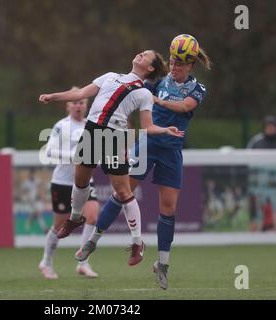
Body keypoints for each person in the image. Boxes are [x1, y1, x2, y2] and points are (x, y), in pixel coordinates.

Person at [77, 35, 212, 290]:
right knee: (122, 192)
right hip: (147, 146)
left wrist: (160, 101)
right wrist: (126, 140)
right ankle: (92, 242)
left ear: (190, 66)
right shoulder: (156, 83)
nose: (175, 67)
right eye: (173, 62)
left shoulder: (197, 89)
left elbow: (184, 107)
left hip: (171, 152)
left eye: (180, 64)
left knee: (169, 208)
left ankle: (162, 264)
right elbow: (127, 107)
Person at [39, 50, 184, 266]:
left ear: (150, 68)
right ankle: (76, 217)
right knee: (79, 181)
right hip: (92, 130)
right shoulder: (109, 76)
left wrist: (164, 130)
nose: (140, 54)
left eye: (145, 55)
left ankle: (137, 243)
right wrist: (53, 97)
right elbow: (80, 94)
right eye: (141, 52)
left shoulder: (143, 93)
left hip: (113, 137)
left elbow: (147, 126)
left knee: (123, 191)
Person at [38, 95, 100, 279]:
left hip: (85, 181)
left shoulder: (91, 125)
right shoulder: (61, 126)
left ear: (86, 105)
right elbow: (49, 151)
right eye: (74, 103)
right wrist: (75, 155)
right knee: (59, 226)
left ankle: (83, 262)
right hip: (62, 183)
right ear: (68, 106)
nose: (78, 106)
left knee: (93, 215)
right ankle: (46, 262)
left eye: (81, 102)